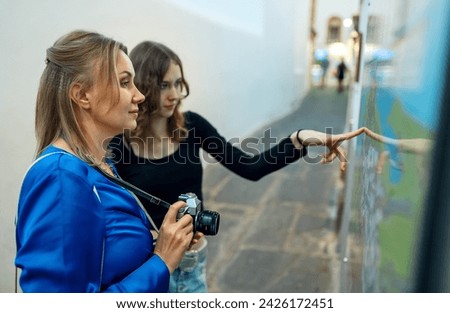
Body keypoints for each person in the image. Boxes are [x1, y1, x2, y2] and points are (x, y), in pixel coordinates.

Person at [108, 40, 365, 293]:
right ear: (143, 86)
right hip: (147, 270)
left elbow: (250, 166)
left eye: (178, 83)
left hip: (191, 265)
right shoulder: (118, 145)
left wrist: (302, 137)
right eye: (164, 85)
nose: (174, 94)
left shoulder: (192, 127)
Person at [14, 30, 199, 292]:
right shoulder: (59, 177)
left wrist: (166, 243)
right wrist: (162, 262)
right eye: (125, 83)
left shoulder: (100, 164)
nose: (139, 95)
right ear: (82, 95)